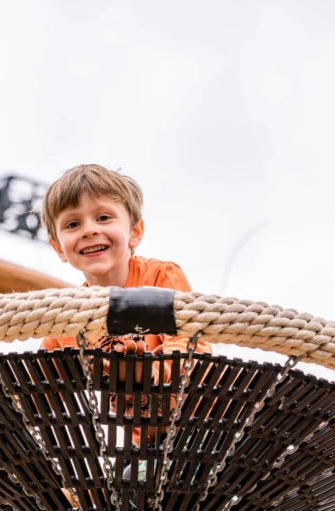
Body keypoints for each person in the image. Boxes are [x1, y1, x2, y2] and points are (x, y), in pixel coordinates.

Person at [38, 163, 212, 448]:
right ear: (59, 248)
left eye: (103, 217)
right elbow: (42, 387)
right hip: (147, 443)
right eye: (73, 224)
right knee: (120, 491)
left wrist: (148, 372)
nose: (89, 230)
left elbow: (191, 345)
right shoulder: (65, 320)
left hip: (204, 423)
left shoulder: (158, 277)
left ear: (134, 232)